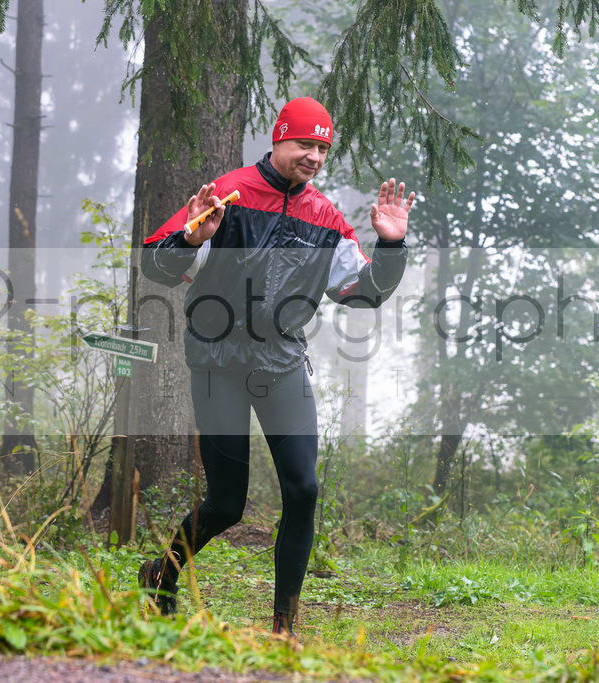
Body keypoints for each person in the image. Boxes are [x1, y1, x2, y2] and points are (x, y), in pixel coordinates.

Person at [136, 97, 415, 639]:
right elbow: (156, 263)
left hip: (281, 361)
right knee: (225, 503)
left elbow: (361, 295)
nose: (312, 156)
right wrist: (191, 238)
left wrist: (391, 244)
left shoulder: (326, 219)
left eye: (321, 148)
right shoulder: (229, 193)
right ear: (278, 138)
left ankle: (284, 625)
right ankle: (159, 574)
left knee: (304, 488)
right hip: (217, 360)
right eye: (303, 144)